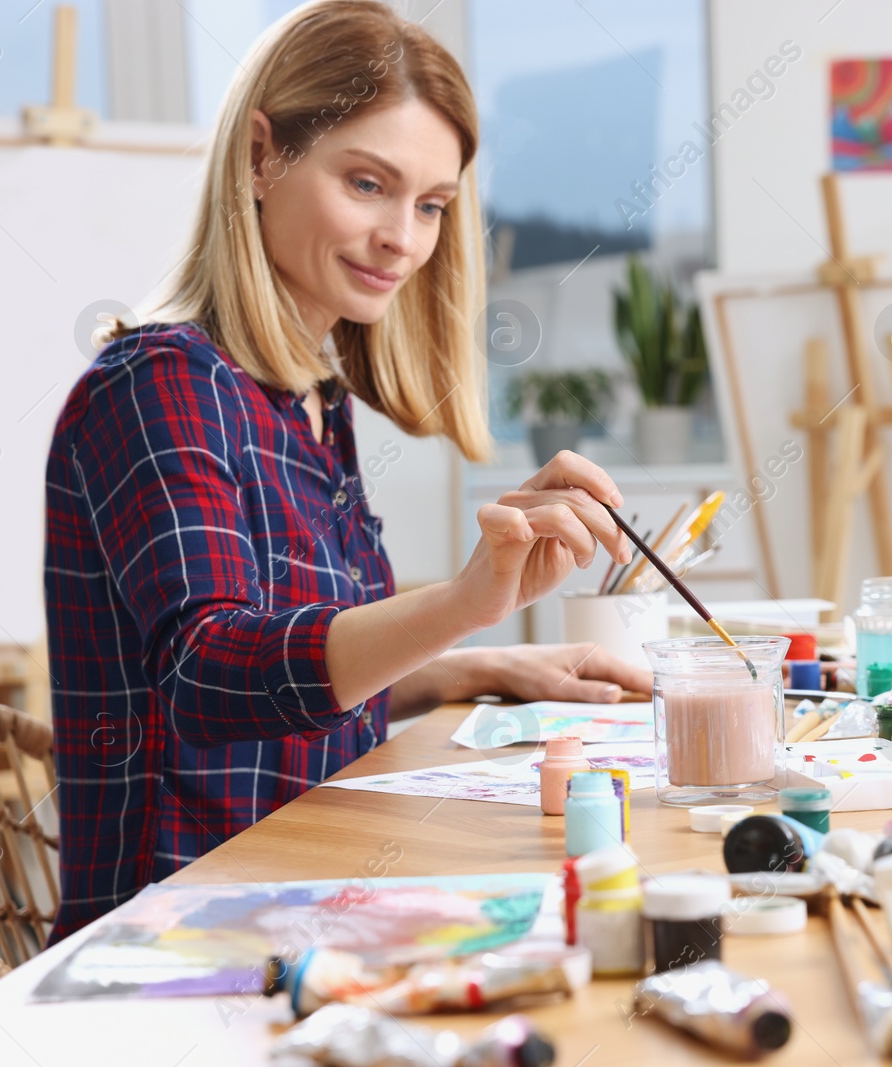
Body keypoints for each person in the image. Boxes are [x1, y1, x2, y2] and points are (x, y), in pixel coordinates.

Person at [42, 0, 647, 942]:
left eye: (432, 205)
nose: (403, 238)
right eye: (368, 183)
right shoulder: (160, 385)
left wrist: (476, 667)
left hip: (312, 895)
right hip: (177, 942)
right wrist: (461, 600)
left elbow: (307, 690)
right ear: (259, 157)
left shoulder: (311, 397)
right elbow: (208, 677)